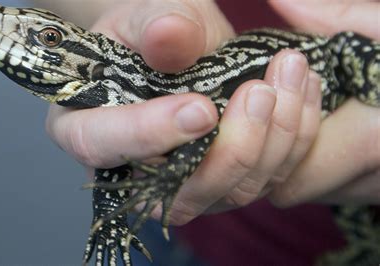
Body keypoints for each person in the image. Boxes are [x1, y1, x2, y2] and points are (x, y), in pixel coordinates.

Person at [33, 0, 379, 264]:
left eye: (47, 38)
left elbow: (204, 131)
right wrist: (140, 12)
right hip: (178, 239)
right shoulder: (126, 90)